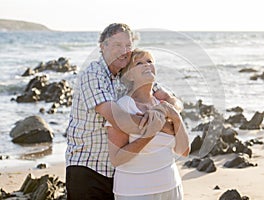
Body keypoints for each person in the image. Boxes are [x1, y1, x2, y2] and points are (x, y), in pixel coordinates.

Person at [65, 23, 183, 200]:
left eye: (128, 45)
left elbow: (173, 101)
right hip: (88, 169)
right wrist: (166, 125)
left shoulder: (128, 74)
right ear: (103, 46)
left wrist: (166, 110)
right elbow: (117, 118)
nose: (124, 51)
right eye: (117, 45)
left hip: (118, 171)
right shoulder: (94, 74)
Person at [106, 49, 190, 200]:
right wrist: (149, 135)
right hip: (135, 191)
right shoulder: (124, 107)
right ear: (129, 75)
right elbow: (116, 159)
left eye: (149, 61)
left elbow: (183, 151)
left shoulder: (164, 105)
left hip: (171, 186)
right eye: (139, 63)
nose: (146, 65)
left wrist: (176, 118)